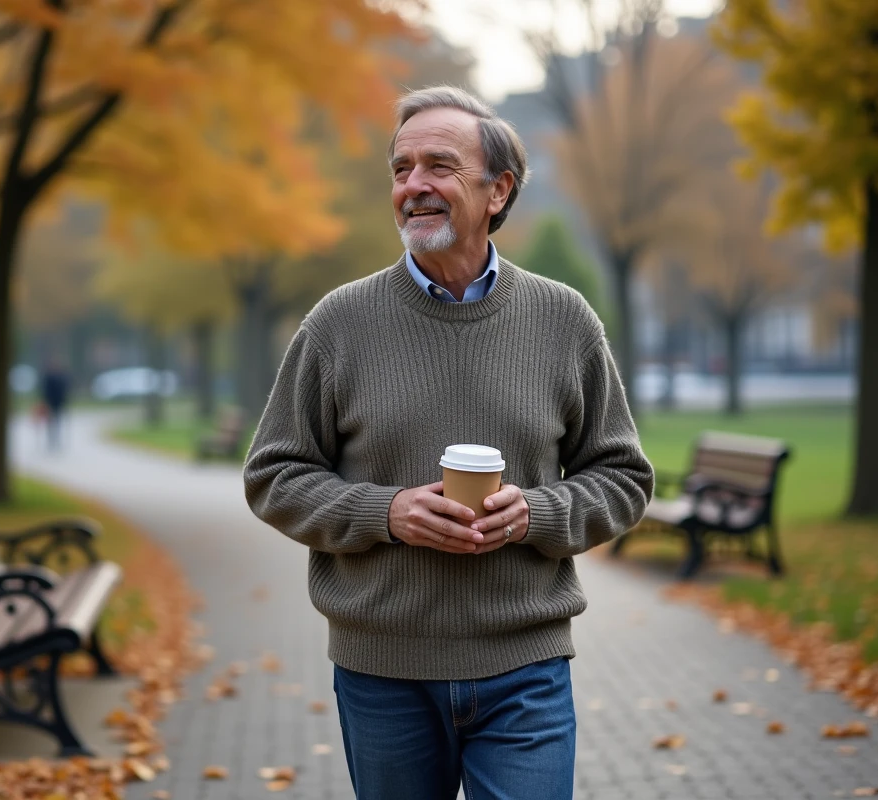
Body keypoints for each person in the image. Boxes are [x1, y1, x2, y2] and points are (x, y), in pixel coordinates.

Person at [242, 86, 654, 800]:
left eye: (439, 165)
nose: (413, 186)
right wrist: (386, 513)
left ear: (498, 190)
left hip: (525, 666)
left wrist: (539, 513)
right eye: (401, 169)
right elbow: (274, 474)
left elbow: (621, 476)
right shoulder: (338, 323)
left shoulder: (565, 321)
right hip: (383, 671)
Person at [40, 357, 70, 451]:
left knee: (57, 421)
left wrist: (64, 401)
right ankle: (51, 440)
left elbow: (64, 390)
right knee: (50, 422)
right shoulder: (48, 377)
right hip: (49, 403)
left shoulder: (61, 377)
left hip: (59, 403)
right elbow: (44, 391)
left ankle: (56, 439)